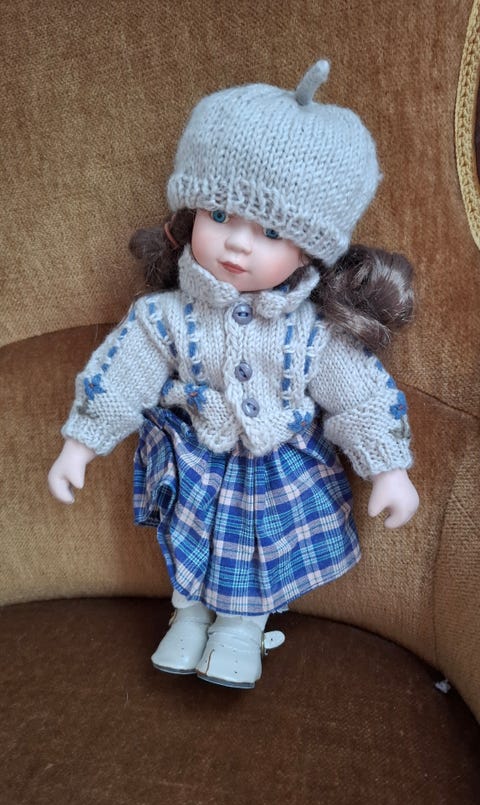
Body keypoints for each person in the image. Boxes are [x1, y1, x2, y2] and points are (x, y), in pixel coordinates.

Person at [48, 60, 419, 690]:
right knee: (188, 535)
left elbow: (358, 393)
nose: (237, 244)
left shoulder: (312, 331)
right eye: (219, 215)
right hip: (194, 455)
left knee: (254, 551)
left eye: (270, 231)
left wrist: (388, 467)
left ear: (308, 249)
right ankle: (188, 614)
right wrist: (81, 444)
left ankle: (242, 628)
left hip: (275, 466)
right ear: (191, 213)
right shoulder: (164, 317)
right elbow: (122, 375)